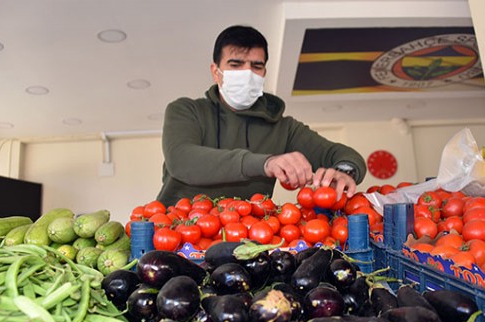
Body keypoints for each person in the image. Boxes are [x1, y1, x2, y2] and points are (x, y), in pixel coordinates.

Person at [156, 25, 366, 207]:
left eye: (256, 66)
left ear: (264, 72)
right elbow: (182, 159)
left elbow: (341, 154)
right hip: (179, 232)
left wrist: (343, 170)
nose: (247, 73)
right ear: (215, 71)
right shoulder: (186, 111)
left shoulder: (283, 128)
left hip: (247, 239)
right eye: (236, 65)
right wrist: (266, 163)